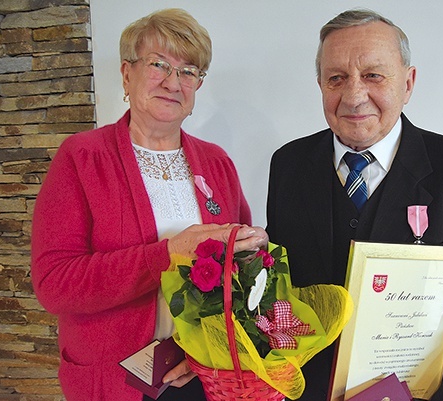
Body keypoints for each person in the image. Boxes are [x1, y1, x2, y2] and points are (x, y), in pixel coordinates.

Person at [266, 9, 443, 401]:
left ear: (408, 83)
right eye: (336, 78)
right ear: (320, 84)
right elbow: (278, 298)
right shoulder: (287, 165)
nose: (354, 96)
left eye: (373, 75)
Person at [31, 9, 267, 401]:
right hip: (115, 379)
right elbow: (54, 284)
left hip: (203, 374)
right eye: (159, 65)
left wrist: (250, 246)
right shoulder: (82, 158)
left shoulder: (217, 162)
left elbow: (238, 275)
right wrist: (168, 253)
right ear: (127, 74)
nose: (174, 83)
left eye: (189, 71)